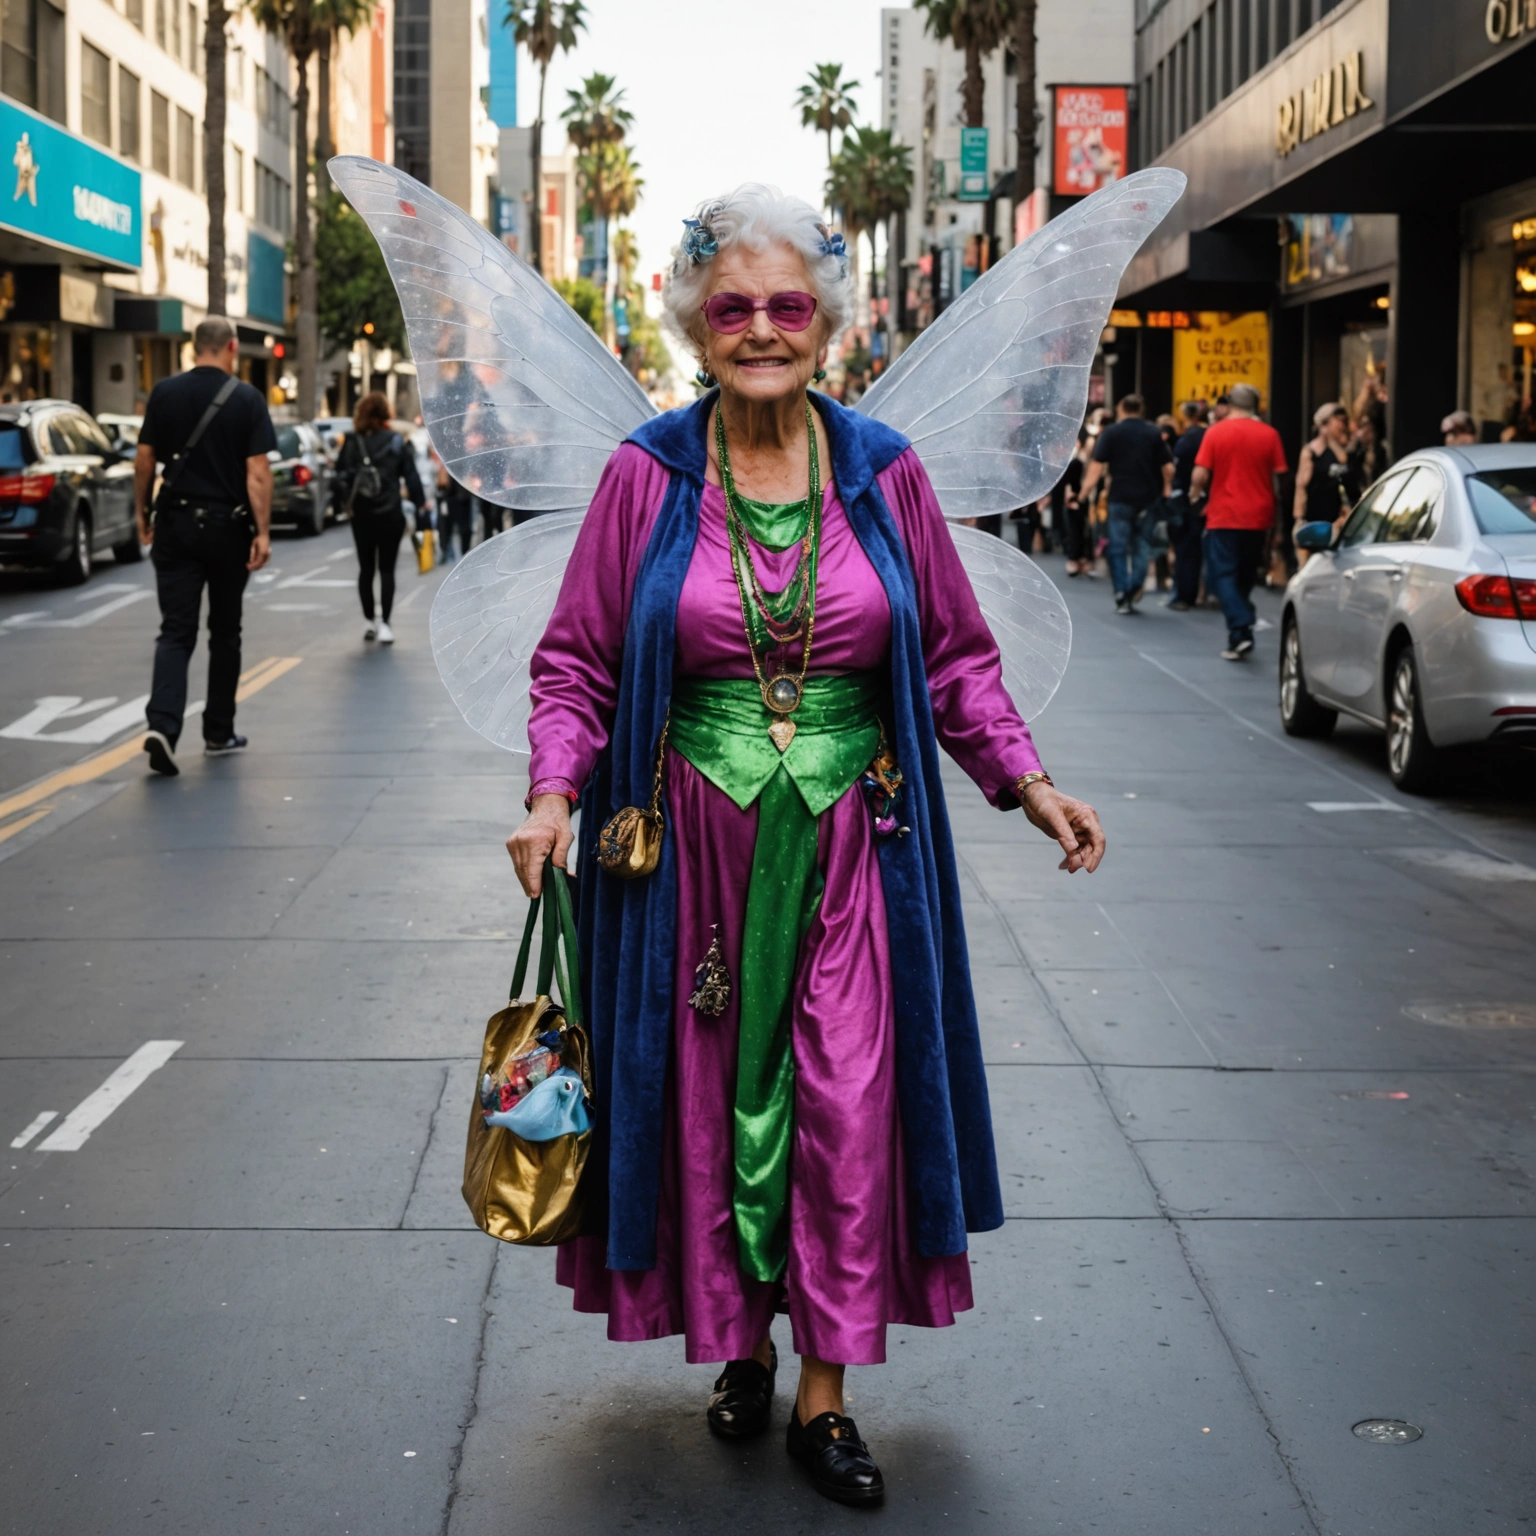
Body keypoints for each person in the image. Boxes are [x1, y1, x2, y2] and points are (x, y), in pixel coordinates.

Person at [505, 184, 1106, 1507]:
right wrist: (554, 792)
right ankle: (740, 1346)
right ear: (694, 323)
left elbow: (952, 653)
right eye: (734, 307)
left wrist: (1028, 781)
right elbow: (577, 662)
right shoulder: (647, 474)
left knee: (843, 1106)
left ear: (826, 323)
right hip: (688, 875)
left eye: (787, 306)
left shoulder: (883, 469)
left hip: (853, 856)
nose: (761, 329)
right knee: (714, 1112)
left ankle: (825, 1396)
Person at [135, 314, 275, 777]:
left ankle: (162, 725)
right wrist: (262, 531)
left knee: (175, 629)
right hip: (227, 528)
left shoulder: (164, 393)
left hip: (174, 523)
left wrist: (142, 513)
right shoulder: (248, 399)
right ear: (232, 347)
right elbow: (257, 472)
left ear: (196, 347)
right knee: (225, 632)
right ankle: (218, 731)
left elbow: (144, 460)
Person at [1191, 382, 1286, 662]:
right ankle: (1238, 634)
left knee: (1222, 575)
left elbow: (1200, 475)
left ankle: (1242, 622)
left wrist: (1195, 492)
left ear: (1230, 403)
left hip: (1224, 513)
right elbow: (1279, 476)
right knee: (1245, 574)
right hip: (1259, 515)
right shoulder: (1270, 434)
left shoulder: (1215, 432)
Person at [334, 391, 425, 644]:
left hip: (361, 514)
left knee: (366, 569)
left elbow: (339, 475)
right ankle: (385, 622)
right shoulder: (396, 441)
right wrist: (421, 505)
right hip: (390, 513)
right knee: (387, 569)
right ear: (385, 413)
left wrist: (345, 502)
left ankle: (368, 621)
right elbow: (412, 476)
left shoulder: (352, 442)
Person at [1077, 393, 1173, 614]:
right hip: (1148, 498)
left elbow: (1095, 469)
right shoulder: (1153, 432)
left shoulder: (1112, 432)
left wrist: (1082, 495)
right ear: (1141, 410)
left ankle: (1121, 591)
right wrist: (1166, 489)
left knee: (1118, 547)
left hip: (1120, 497)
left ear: (1121, 409)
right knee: (1142, 545)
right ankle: (1134, 585)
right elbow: (1168, 467)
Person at [1293, 402, 1361, 536]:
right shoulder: (1311, 452)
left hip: (1337, 523)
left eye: (1344, 421)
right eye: (1339, 421)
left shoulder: (1346, 451)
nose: (1343, 425)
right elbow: (1301, 487)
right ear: (1324, 425)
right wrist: (1299, 520)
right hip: (1314, 522)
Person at [1167, 400, 1207, 610]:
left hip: (1187, 498)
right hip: (1202, 498)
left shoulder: (1187, 440)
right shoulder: (1206, 435)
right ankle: (1197, 592)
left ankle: (1184, 594)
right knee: (1196, 549)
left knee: (1186, 549)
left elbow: (1180, 471)